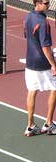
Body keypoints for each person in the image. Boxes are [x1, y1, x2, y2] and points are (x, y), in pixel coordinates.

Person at [24, 0, 56, 136]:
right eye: (46, 3)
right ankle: (48, 123)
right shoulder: (43, 23)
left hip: (30, 61)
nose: (48, 5)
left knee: (32, 91)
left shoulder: (28, 17)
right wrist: (53, 65)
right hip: (43, 63)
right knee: (54, 89)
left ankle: (30, 126)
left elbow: (27, 36)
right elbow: (45, 47)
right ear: (37, 3)